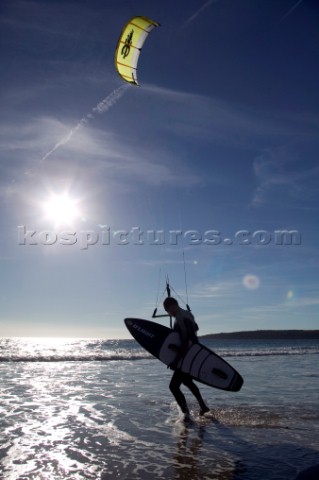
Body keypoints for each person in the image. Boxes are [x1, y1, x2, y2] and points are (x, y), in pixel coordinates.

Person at [163, 297, 210, 419]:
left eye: (168, 311)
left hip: (186, 356)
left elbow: (185, 341)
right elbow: (196, 328)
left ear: (171, 307)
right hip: (193, 352)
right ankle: (203, 407)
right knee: (187, 381)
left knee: (173, 387)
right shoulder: (187, 314)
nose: (169, 314)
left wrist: (176, 360)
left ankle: (186, 415)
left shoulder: (179, 318)